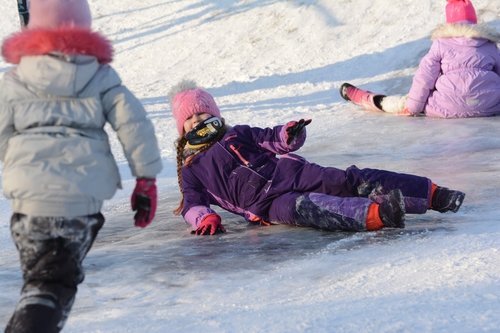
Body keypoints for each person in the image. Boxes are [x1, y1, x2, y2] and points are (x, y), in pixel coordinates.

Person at [0, 0, 163, 331]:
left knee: (43, 284)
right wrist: (145, 180)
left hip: (30, 204)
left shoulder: (14, 80)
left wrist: (19, 167)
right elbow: (135, 125)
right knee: (51, 286)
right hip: (81, 204)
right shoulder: (101, 76)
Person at [170, 80, 465, 236]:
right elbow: (192, 203)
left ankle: (432, 195)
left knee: (351, 180)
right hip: (268, 206)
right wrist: (203, 217)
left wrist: (290, 132)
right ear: (181, 128)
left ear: (217, 115)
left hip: (293, 174)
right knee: (310, 207)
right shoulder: (192, 170)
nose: (198, 120)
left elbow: (275, 138)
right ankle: (380, 215)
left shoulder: (239, 133)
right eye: (191, 118)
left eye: (203, 112)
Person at [339, 0, 500, 118]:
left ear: (449, 22)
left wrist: (413, 107)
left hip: (446, 107)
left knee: (403, 103)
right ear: (474, 22)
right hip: (489, 106)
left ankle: (363, 97)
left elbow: (425, 78)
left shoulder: (441, 44)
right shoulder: (489, 45)